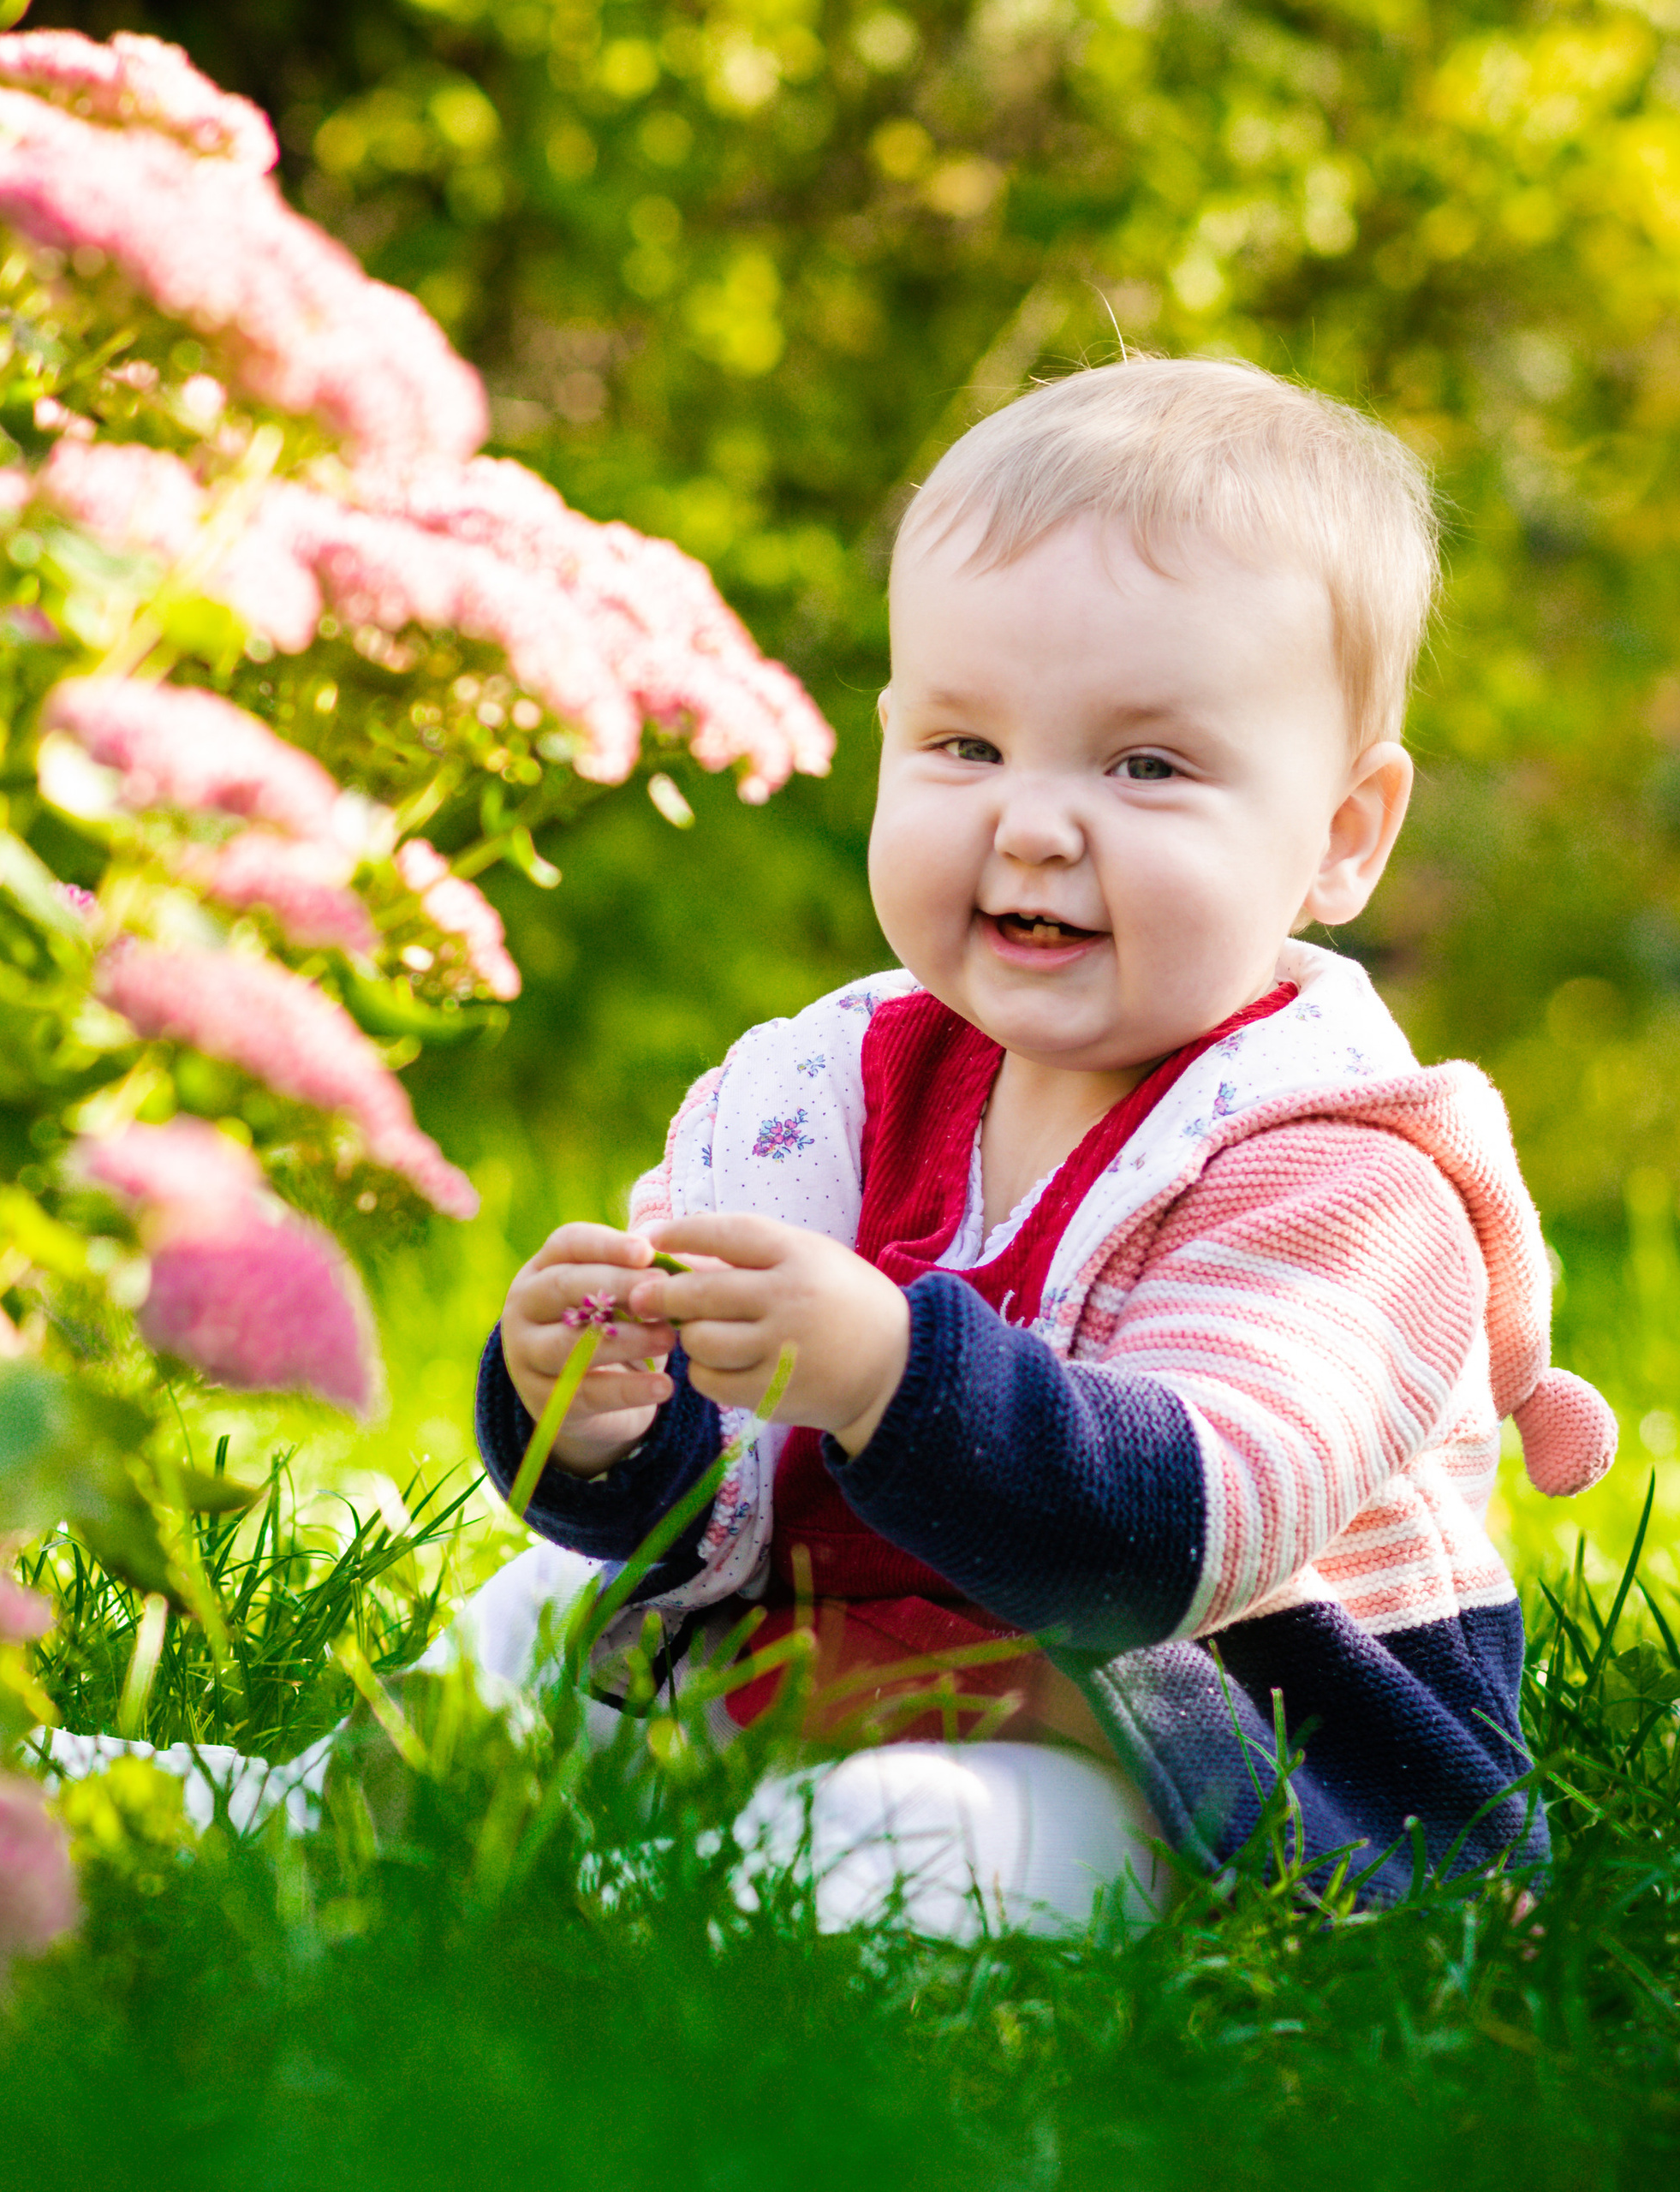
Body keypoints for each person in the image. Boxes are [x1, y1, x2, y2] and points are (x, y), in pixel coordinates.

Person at [474, 354, 1618, 1942]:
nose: (1031, 824)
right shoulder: (840, 1093)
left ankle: (700, 1901)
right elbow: (709, 1494)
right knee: (538, 1614)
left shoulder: (1345, 1181)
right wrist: (597, 1419)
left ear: (1345, 834)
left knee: (915, 1844)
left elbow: (1184, 1532)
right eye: (964, 746)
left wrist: (889, 1373)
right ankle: (342, 1797)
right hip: (834, 1652)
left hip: (1187, 1751)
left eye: (1145, 765)